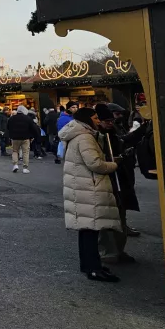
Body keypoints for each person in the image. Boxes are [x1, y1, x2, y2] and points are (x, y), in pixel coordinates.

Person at [60, 107, 122, 282]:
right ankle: (93, 268)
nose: (97, 120)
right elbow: (95, 163)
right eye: (94, 117)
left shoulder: (77, 134)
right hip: (88, 187)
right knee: (91, 230)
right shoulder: (85, 137)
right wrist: (113, 165)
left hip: (80, 185)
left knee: (87, 230)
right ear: (87, 120)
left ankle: (89, 265)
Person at [95, 104, 138, 264]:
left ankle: (118, 250)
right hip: (106, 178)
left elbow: (124, 141)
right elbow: (95, 161)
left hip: (119, 178)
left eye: (111, 120)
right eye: (107, 120)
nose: (110, 123)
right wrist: (112, 162)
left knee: (120, 216)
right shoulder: (96, 135)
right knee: (107, 218)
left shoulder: (113, 132)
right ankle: (108, 252)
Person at [7, 105, 40, 173]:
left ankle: (15, 165)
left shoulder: (12, 118)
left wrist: (11, 135)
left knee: (15, 151)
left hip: (15, 138)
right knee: (25, 152)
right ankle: (25, 168)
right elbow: (33, 128)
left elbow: (8, 127)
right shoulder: (28, 118)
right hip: (25, 138)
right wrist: (33, 136)